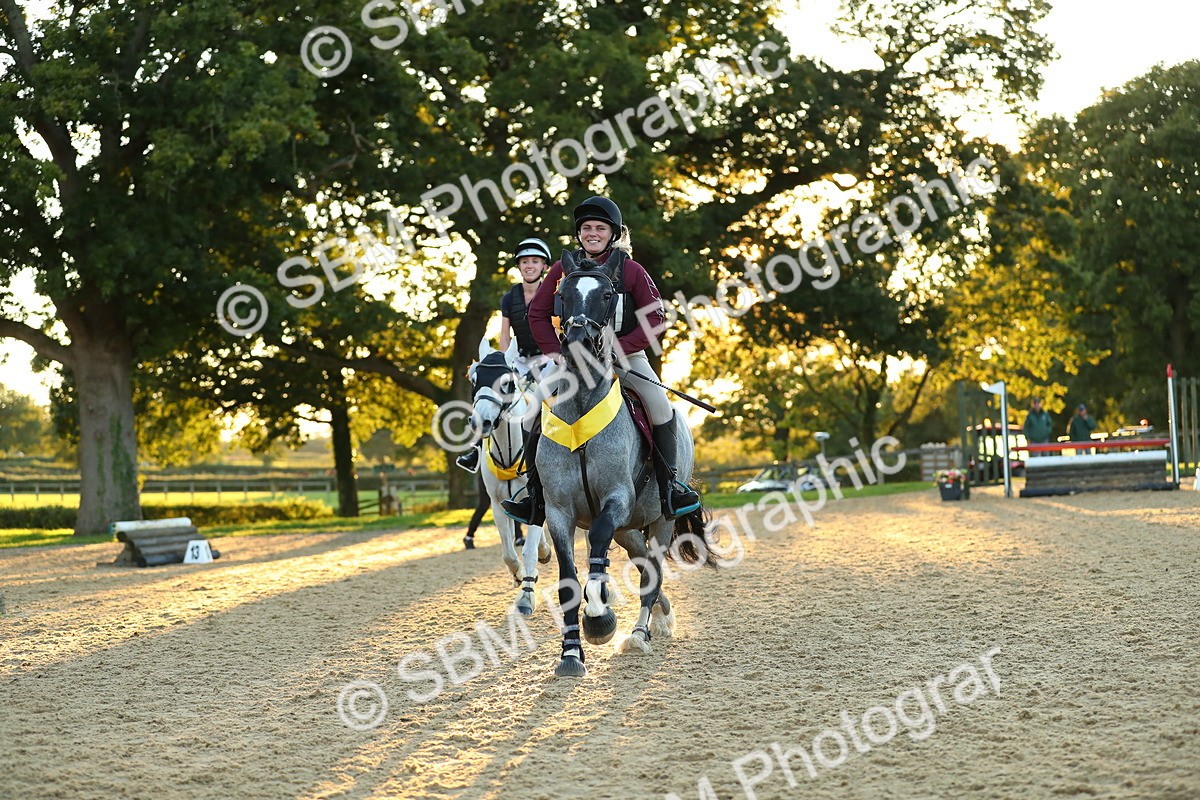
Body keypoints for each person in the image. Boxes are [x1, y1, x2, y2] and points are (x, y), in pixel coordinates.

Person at [501, 195, 701, 525]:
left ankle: (671, 488)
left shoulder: (632, 269)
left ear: (614, 233)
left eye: (600, 228)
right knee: (532, 411)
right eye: (586, 228)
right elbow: (537, 313)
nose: (592, 233)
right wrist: (554, 351)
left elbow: (656, 319)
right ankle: (534, 496)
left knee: (659, 404)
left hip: (626, 356)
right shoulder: (562, 270)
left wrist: (620, 349)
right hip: (574, 360)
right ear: (579, 234)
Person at [456, 236, 552, 473]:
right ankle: (476, 448)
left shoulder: (553, 296)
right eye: (525, 261)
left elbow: (556, 332)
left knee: (552, 401)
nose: (529, 265)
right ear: (519, 266)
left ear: (544, 267)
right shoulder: (509, 298)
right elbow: (505, 335)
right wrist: (504, 362)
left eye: (535, 261)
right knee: (491, 393)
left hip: (547, 358)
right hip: (517, 358)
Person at [463, 471, 525, 549]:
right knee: (484, 505)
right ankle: (469, 536)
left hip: (508, 474)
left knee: (513, 502)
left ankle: (518, 536)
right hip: (489, 474)